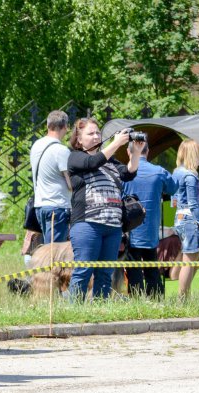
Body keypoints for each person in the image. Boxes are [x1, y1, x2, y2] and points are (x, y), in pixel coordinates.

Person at [66, 118, 142, 300]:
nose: (95, 136)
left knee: (105, 273)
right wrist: (116, 143)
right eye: (90, 133)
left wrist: (136, 153)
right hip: (87, 224)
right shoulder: (75, 157)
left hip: (112, 226)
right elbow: (92, 163)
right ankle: (72, 312)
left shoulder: (110, 161)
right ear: (79, 140)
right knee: (84, 270)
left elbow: (128, 173)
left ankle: (100, 309)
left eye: (97, 133)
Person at [122, 142, 177, 298]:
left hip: (130, 229)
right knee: (152, 266)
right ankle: (156, 300)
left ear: (128, 151)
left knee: (133, 269)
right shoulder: (159, 172)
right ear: (148, 151)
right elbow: (173, 188)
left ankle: (137, 300)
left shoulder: (123, 173)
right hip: (151, 230)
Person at [172, 139, 199, 298]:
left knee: (192, 258)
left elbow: (176, 200)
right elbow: (193, 206)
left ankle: (184, 295)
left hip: (179, 219)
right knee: (190, 260)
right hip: (190, 221)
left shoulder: (177, 172)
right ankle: (183, 299)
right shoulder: (191, 176)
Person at [31, 110, 72, 243]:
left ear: (48, 125)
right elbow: (71, 184)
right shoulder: (61, 151)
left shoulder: (36, 145)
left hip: (40, 205)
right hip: (57, 206)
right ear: (65, 127)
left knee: (48, 249)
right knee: (54, 253)